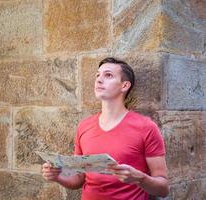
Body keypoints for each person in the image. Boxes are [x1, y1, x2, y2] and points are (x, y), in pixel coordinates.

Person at [41, 57, 169, 200]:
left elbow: (163, 189)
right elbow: (78, 179)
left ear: (125, 85)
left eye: (108, 75)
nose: (99, 80)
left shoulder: (146, 127)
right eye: (98, 75)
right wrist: (57, 176)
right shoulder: (84, 126)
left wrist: (140, 178)